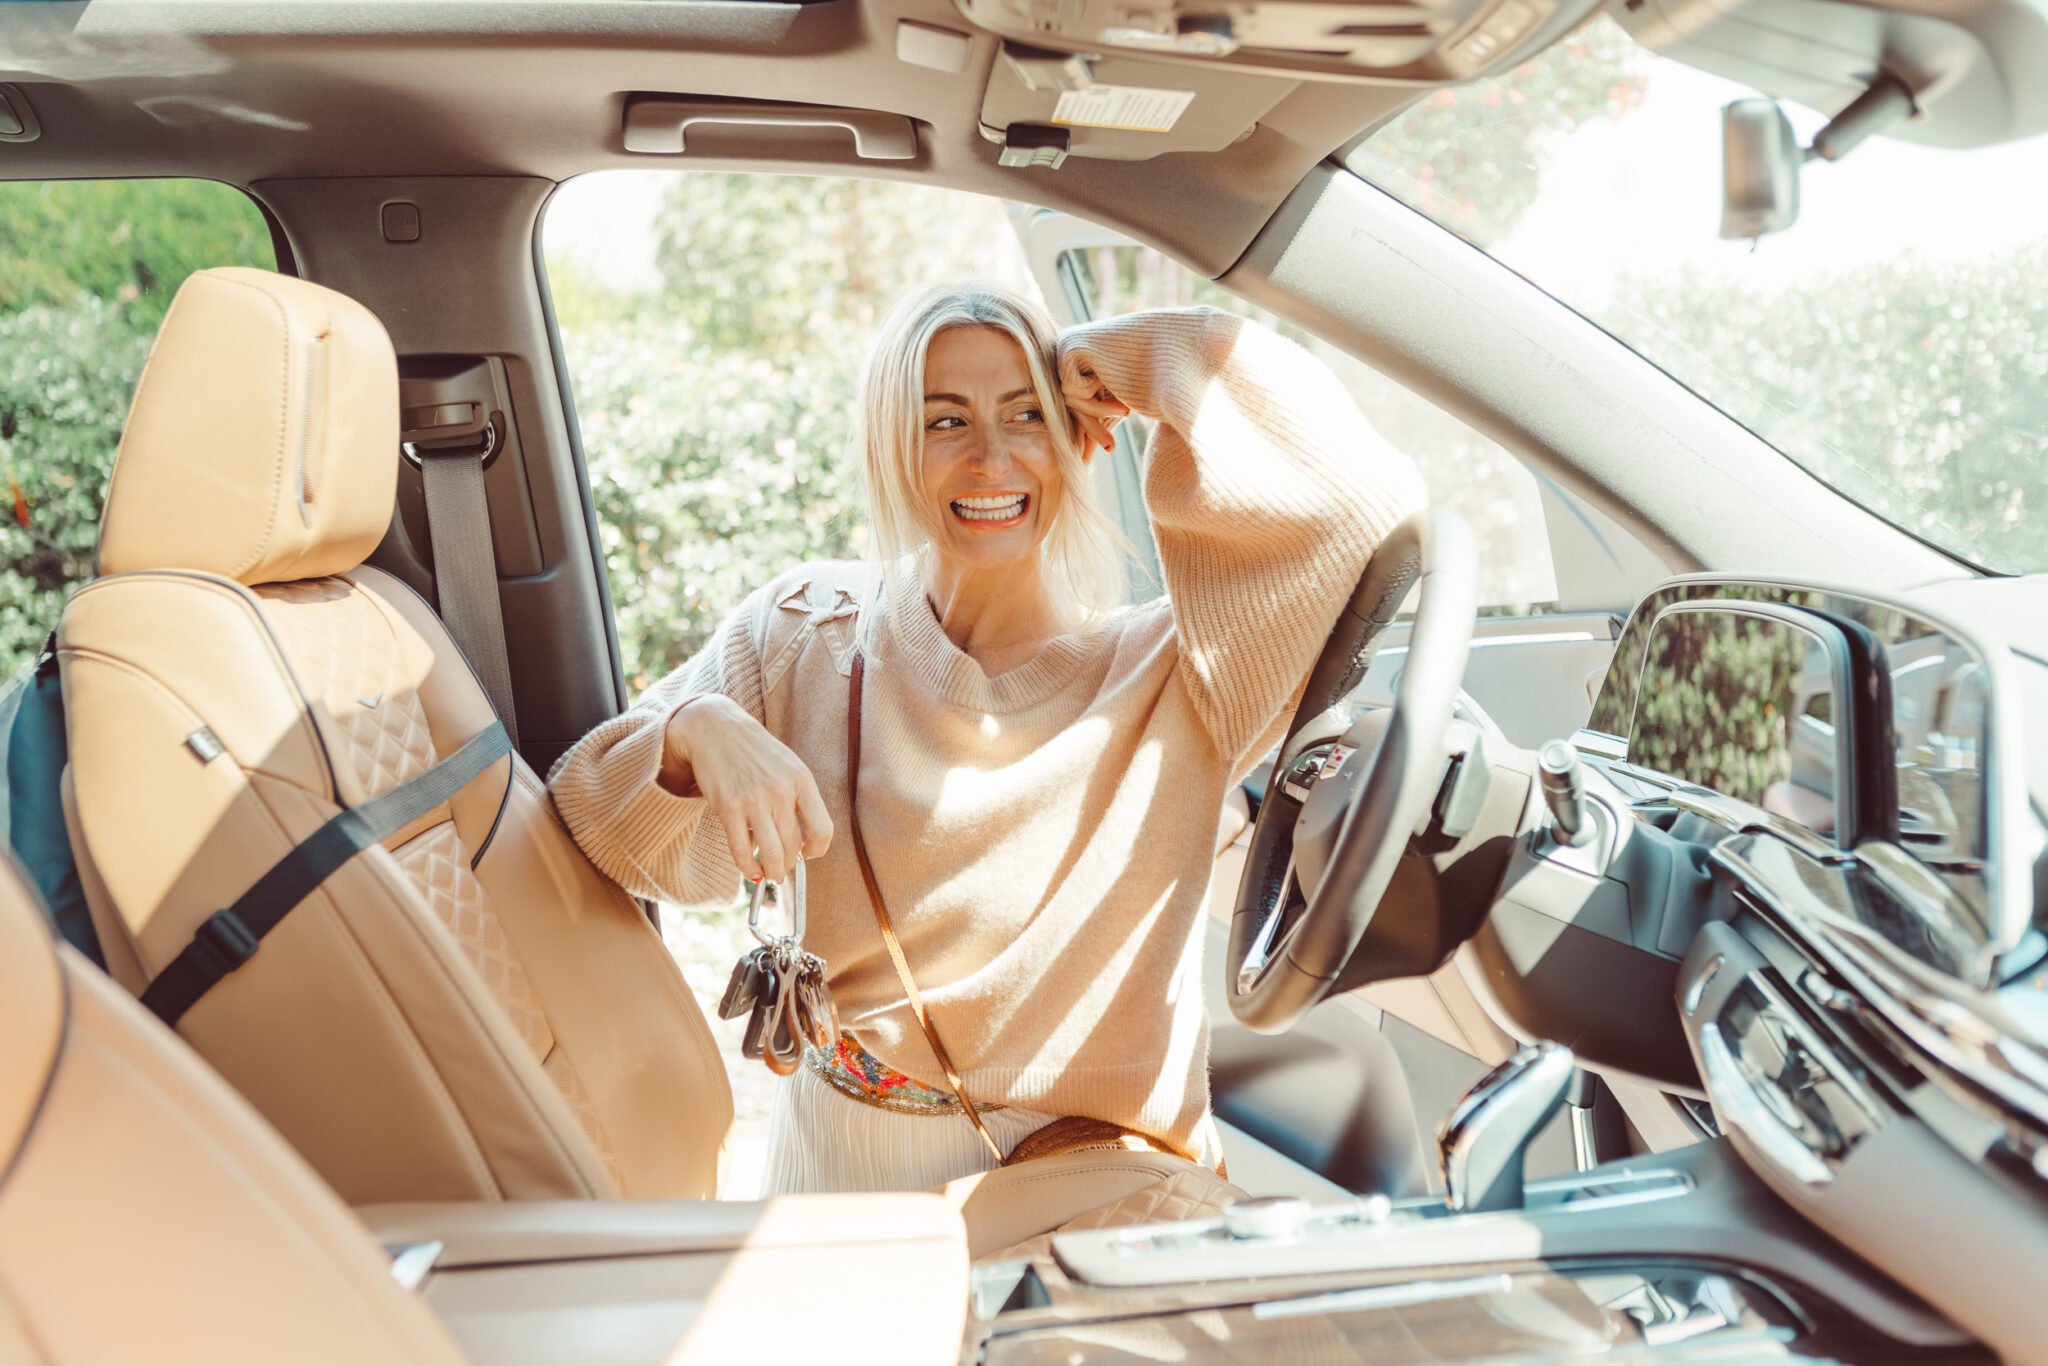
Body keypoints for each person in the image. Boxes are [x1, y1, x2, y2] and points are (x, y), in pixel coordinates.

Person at [547, 282, 1424, 1194]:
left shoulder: (1177, 669)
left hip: (1091, 1186)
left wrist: (1139, 357)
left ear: (1078, 436)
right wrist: (698, 730)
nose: (992, 460)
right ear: (892, 446)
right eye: (944, 422)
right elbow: (595, 821)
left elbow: (1369, 505)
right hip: (839, 1165)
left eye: (1027, 416)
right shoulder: (806, 627)